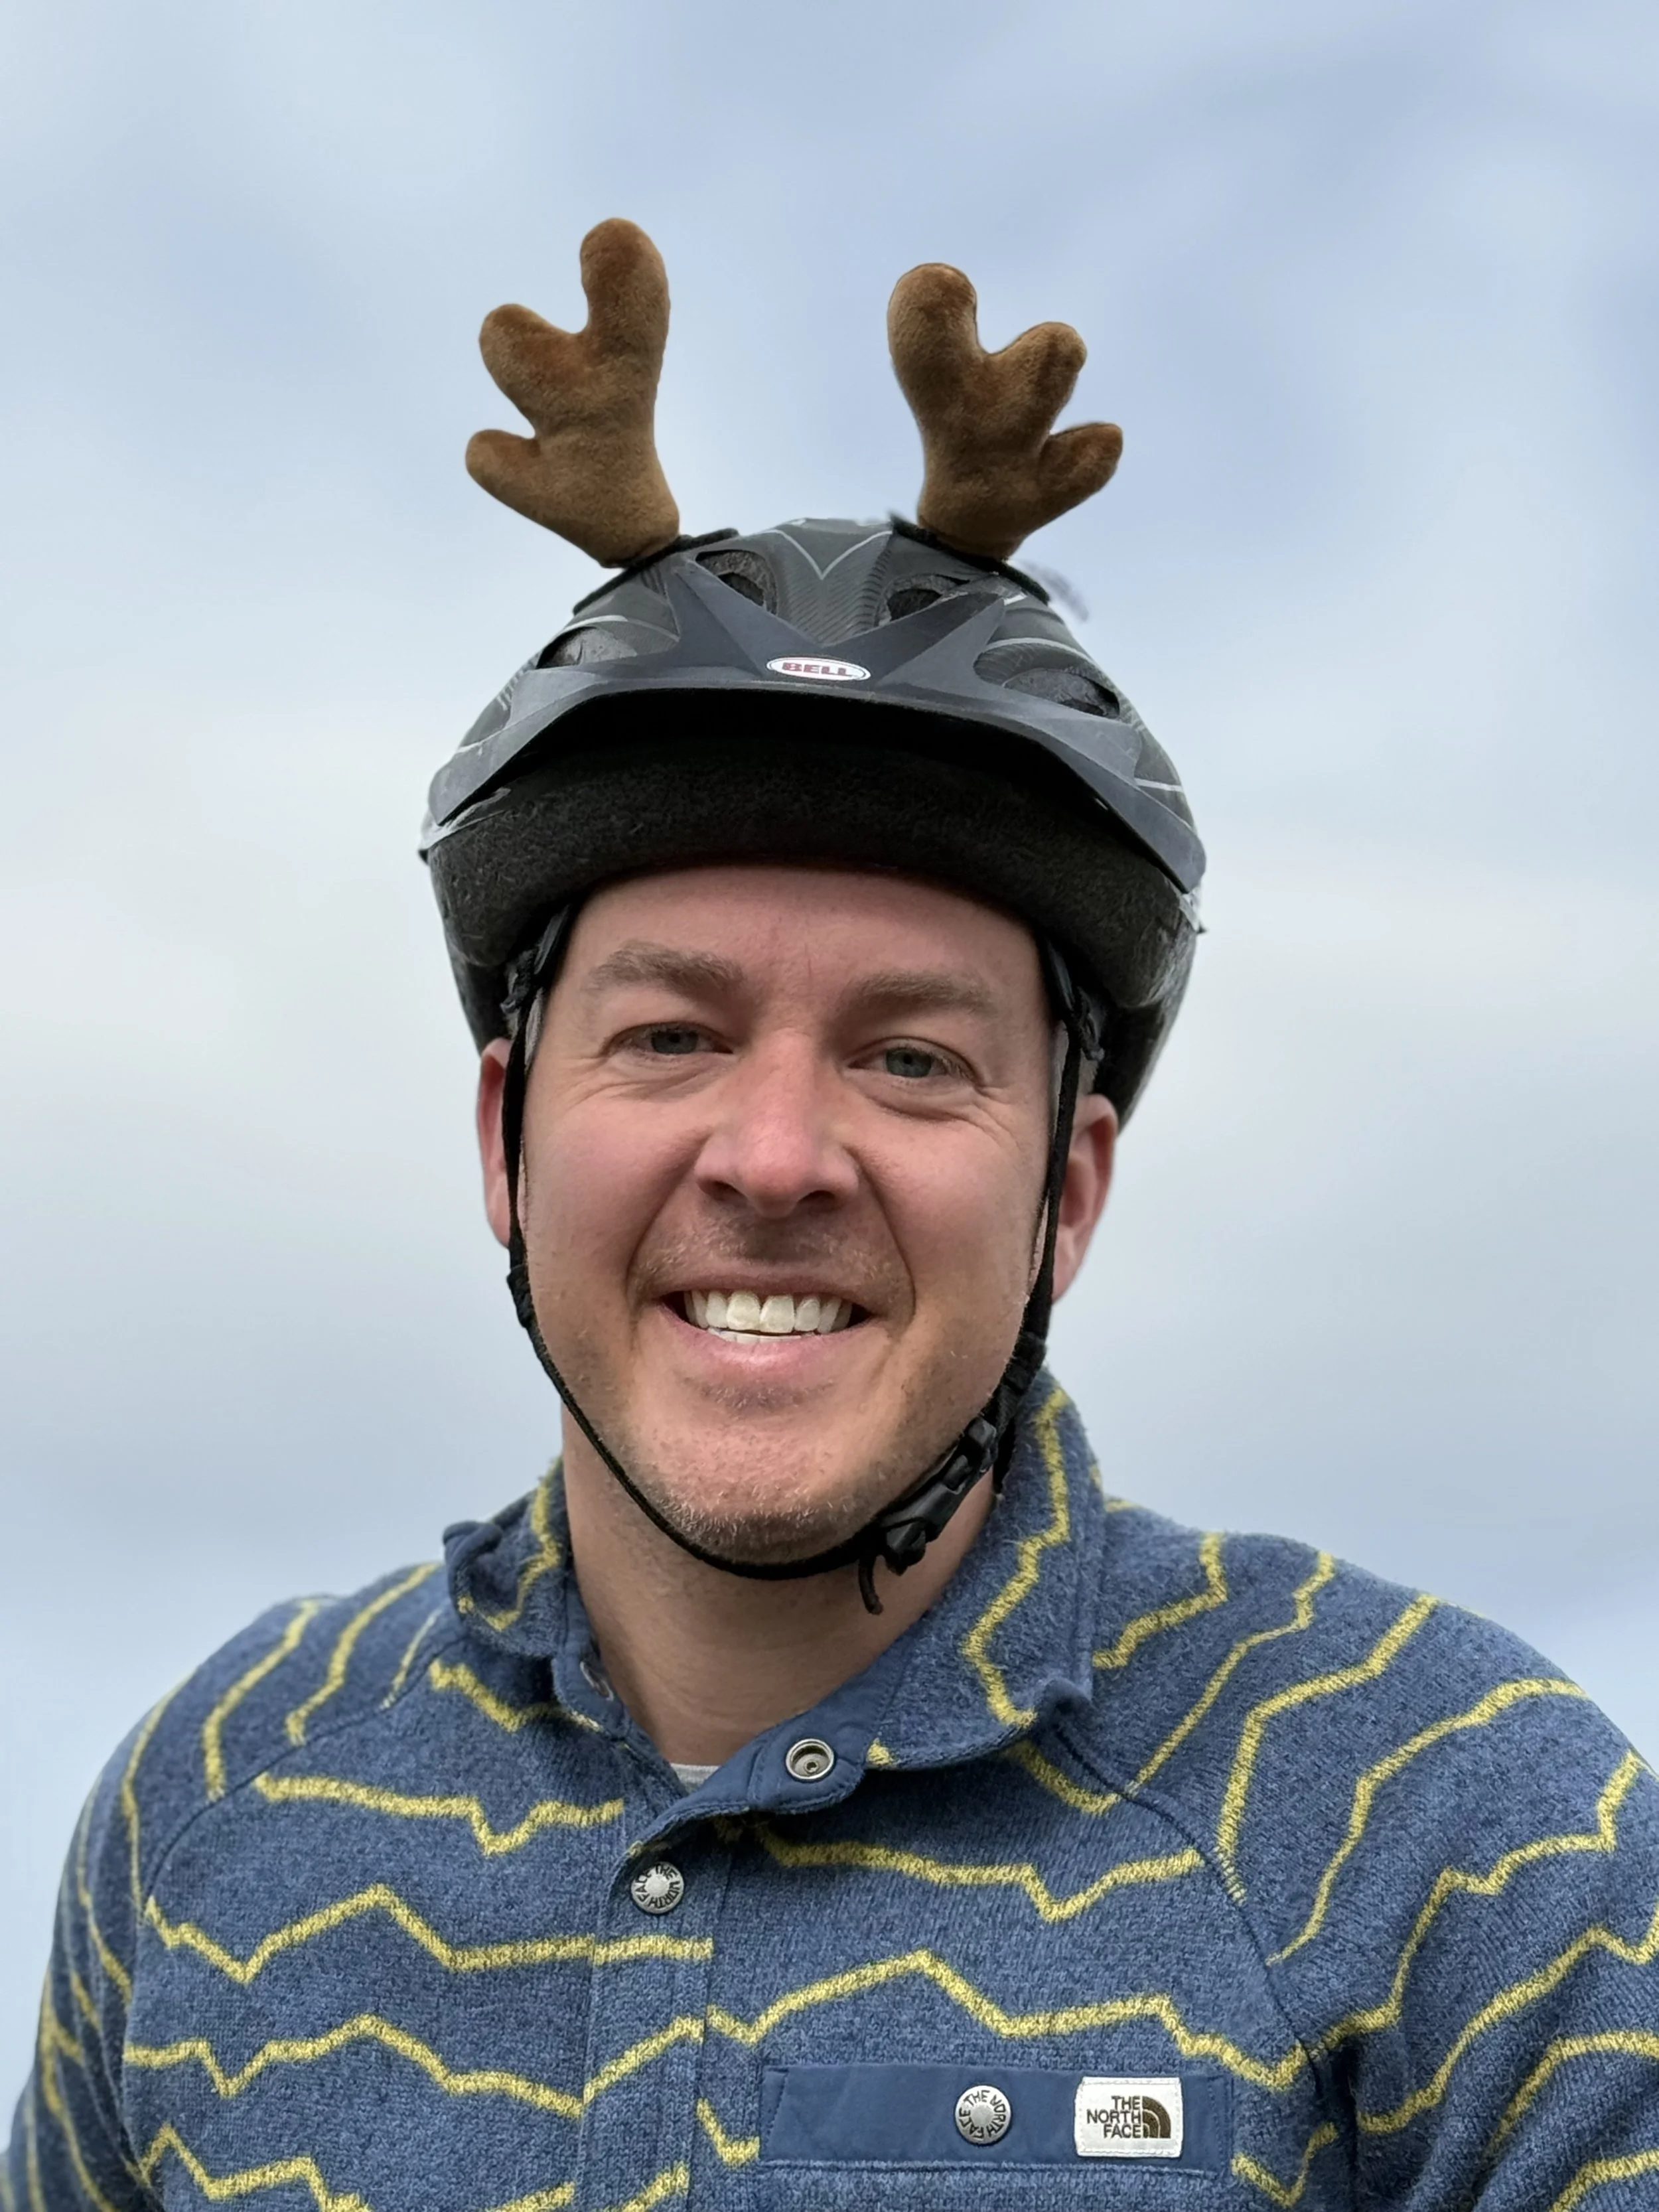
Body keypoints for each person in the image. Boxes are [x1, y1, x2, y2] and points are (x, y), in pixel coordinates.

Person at [7, 220, 1656, 2212]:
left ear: (1066, 1190)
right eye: (672, 1034)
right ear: (503, 1137)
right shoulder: (211, 1802)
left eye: (909, 1059)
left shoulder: (1461, 1825)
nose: (775, 1155)